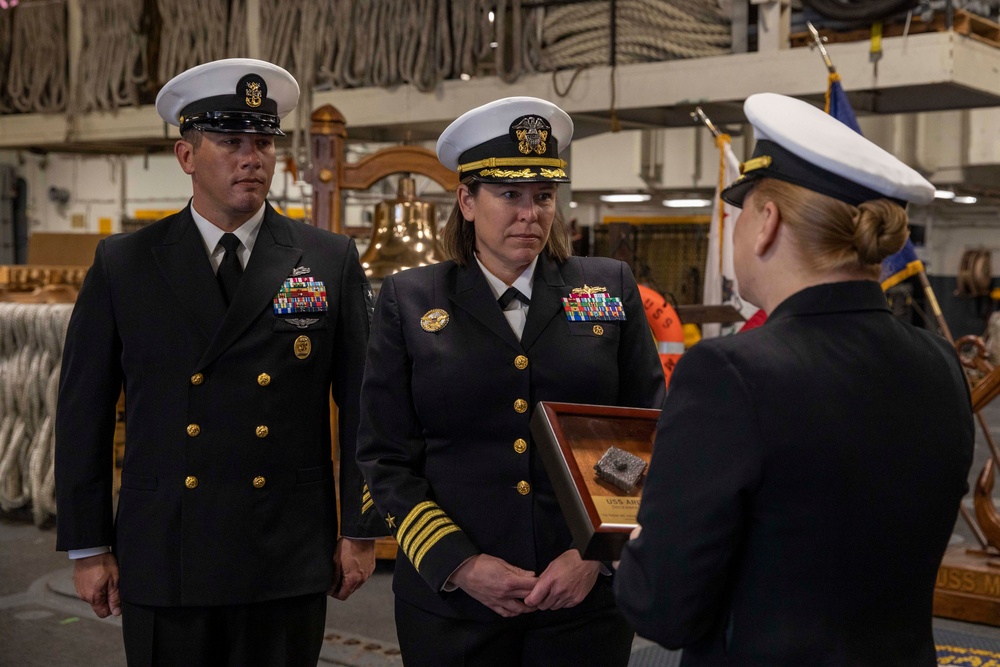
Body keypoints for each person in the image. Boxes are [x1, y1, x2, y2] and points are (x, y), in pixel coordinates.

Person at [614, 92, 975, 666]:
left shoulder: (729, 373)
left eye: (740, 213)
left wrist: (635, 547)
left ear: (766, 223)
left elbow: (663, 608)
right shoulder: (939, 363)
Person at [54, 58, 383, 666]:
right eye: (231, 141)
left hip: (284, 545)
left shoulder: (327, 257)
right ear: (186, 156)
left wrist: (360, 529)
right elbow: (83, 411)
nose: (251, 157)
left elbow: (366, 402)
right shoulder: (125, 264)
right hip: (166, 545)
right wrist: (87, 545)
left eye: (262, 141)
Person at [356, 96, 665, 666]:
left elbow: (645, 431)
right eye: (509, 195)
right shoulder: (410, 299)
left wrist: (594, 555)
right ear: (467, 201)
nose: (531, 213)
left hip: (581, 600)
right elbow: (384, 456)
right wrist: (459, 564)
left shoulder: (606, 287)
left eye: (544, 196)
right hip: (452, 605)